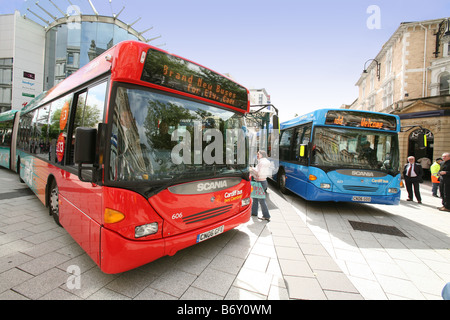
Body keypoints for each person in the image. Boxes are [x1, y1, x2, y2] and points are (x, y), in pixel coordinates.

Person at [250, 150, 271, 221]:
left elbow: (258, 173)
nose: (257, 155)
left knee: (261, 200)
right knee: (255, 198)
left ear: (262, 155)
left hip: (260, 182)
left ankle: (266, 215)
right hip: (262, 181)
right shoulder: (266, 162)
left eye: (258, 154)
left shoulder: (262, 162)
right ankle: (254, 212)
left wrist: (252, 169)